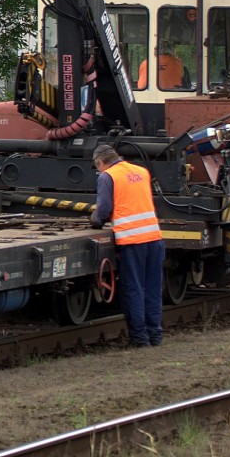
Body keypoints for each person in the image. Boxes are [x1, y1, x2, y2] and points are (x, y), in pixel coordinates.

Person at [90, 143, 164, 347]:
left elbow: (104, 209)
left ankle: (140, 340)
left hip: (132, 242)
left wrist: (94, 220)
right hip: (154, 238)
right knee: (152, 289)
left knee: (134, 289)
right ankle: (155, 336)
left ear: (100, 162)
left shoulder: (108, 176)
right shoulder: (141, 171)